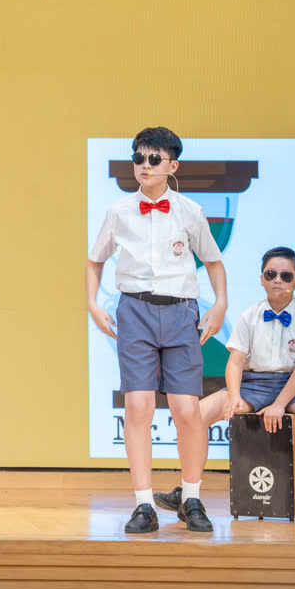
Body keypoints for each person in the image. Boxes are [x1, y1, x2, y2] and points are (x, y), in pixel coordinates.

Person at [87, 126, 228, 533]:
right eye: (138, 158)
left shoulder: (190, 211)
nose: (144, 166)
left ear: (172, 166)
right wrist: (93, 303)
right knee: (138, 407)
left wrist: (220, 304)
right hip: (135, 311)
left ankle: (191, 498)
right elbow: (95, 260)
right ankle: (144, 504)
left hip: (182, 313)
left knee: (186, 410)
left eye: (154, 159)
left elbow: (213, 262)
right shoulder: (119, 211)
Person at [153, 246, 295, 524]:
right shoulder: (249, 315)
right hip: (253, 384)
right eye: (271, 274)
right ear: (261, 279)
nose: (277, 280)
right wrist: (234, 396)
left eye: (285, 275)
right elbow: (235, 363)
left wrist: (279, 404)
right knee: (195, 415)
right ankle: (188, 495)